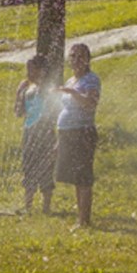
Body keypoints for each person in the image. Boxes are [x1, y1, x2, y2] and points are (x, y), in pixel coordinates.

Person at [55, 43, 101, 227]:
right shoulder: (70, 80)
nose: (76, 60)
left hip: (83, 131)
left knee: (83, 177)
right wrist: (59, 141)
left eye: (80, 56)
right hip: (67, 132)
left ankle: (84, 221)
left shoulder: (91, 79)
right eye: (73, 56)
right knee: (76, 178)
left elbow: (90, 104)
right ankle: (80, 218)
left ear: (87, 59)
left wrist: (72, 93)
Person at [14, 54, 56, 214]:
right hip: (29, 131)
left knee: (46, 168)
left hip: (45, 132)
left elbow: (54, 110)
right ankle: (28, 207)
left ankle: (46, 207)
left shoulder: (48, 88)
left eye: (32, 68)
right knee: (28, 167)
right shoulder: (26, 87)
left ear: (42, 70)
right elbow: (19, 113)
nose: (29, 72)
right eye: (28, 68)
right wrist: (19, 95)